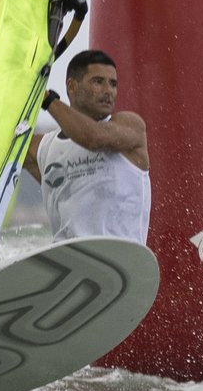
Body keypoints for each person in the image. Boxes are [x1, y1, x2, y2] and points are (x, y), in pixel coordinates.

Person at [22, 49, 151, 245]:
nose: (108, 91)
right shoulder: (44, 148)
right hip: (72, 266)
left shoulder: (130, 126)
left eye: (113, 84)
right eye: (98, 82)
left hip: (122, 263)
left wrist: (46, 99)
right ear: (72, 87)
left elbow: (93, 138)